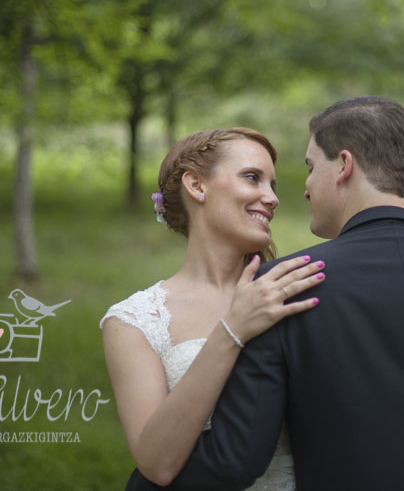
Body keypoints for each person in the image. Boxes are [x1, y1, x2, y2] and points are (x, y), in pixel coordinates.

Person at [126, 97, 404, 491]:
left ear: (344, 166)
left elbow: (234, 460)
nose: (302, 189)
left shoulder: (288, 284)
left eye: (310, 167)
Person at [101, 128, 325, 490]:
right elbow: (156, 464)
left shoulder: (293, 289)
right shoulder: (134, 321)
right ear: (197, 186)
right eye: (252, 177)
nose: (271, 198)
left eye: (272, 185)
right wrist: (232, 329)